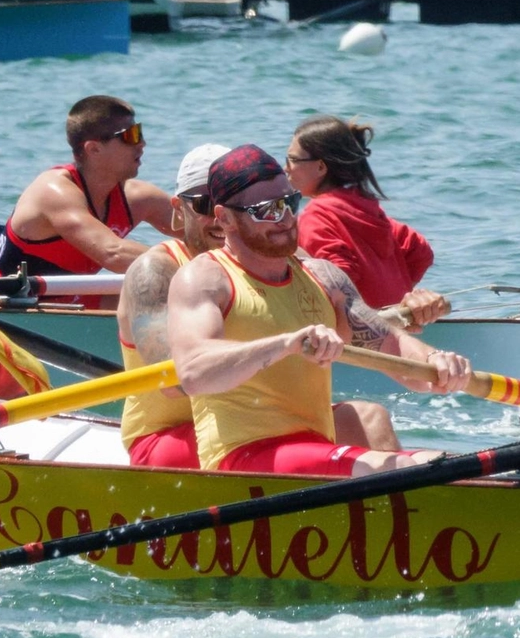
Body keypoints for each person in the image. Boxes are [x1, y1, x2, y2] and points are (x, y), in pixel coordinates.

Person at [167, 144, 471, 477]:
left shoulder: (325, 278)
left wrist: (436, 364)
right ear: (225, 218)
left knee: (454, 465)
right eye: (264, 210)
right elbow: (194, 372)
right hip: (242, 459)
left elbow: (391, 343)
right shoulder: (205, 277)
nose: (283, 219)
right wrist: (287, 344)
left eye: (288, 203)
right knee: (404, 469)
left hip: (315, 450)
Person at [117, 144, 402, 468]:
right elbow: (175, 382)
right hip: (168, 437)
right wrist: (281, 346)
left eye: (243, 205)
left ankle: (405, 509)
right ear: (178, 209)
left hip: (259, 425)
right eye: (205, 204)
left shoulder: (288, 265)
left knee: (368, 417)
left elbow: (347, 329)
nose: (217, 217)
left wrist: (396, 322)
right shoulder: (154, 273)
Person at [0, 95, 174, 305]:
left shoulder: (139, 199)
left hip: (72, 306)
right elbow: (113, 254)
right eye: (131, 135)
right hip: (2, 315)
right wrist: (194, 267)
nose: (142, 144)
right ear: (93, 149)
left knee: (172, 297)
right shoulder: (52, 192)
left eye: (139, 131)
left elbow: (202, 228)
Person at [285, 115, 447, 326]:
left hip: (362, 335)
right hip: (397, 326)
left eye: (292, 159)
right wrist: (398, 292)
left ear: (321, 167)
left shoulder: (316, 215)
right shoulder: (365, 206)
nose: (286, 168)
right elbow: (420, 251)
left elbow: (337, 278)